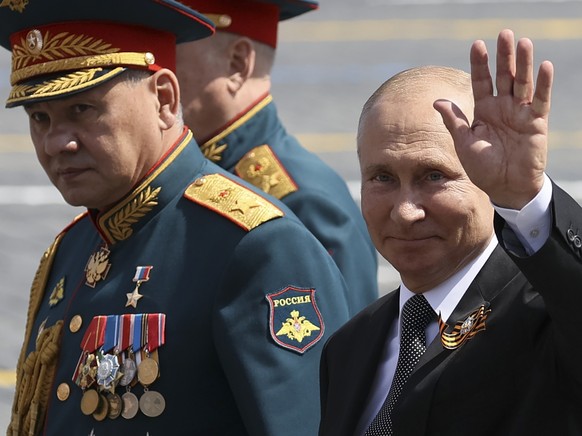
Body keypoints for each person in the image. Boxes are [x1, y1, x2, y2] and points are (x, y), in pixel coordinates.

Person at [1, 1, 352, 435]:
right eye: (40, 117)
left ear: (164, 99)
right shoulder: (73, 248)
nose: (57, 143)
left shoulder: (254, 246)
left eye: (82, 110)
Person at [319, 29, 582, 436]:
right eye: (382, 177)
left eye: (434, 176)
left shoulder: (542, 314)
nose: (405, 212)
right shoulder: (350, 347)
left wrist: (525, 197)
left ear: (487, 175)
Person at [174, 0, 379, 315]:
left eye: (172, 51)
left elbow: (344, 353)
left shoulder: (301, 200)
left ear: (238, 62)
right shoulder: (203, 172)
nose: (158, 73)